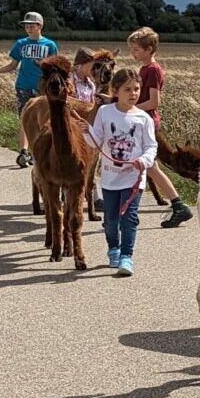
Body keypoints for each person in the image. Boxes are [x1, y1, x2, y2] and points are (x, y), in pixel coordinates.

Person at [88, 68, 157, 277]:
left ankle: (127, 256)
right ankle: (114, 249)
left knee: (129, 217)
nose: (133, 94)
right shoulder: (104, 112)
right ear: (115, 91)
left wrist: (143, 161)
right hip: (110, 178)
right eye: (128, 90)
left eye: (136, 89)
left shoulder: (144, 119)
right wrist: (86, 133)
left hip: (134, 178)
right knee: (110, 220)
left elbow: (151, 146)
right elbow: (96, 140)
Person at [128, 26, 194, 227]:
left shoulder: (153, 70)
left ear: (149, 49)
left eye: (136, 49)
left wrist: (128, 108)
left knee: (142, 166)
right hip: (143, 120)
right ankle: (179, 206)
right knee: (150, 167)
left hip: (146, 123)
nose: (133, 53)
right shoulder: (145, 69)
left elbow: (154, 102)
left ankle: (127, 211)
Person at [0, 12, 58, 168]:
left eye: (31, 25)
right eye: (26, 26)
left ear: (40, 26)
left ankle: (40, 153)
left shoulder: (50, 45)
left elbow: (55, 68)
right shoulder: (21, 44)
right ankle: (23, 152)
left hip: (43, 88)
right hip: (23, 87)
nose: (28, 28)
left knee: (43, 122)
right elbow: (13, 65)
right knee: (25, 119)